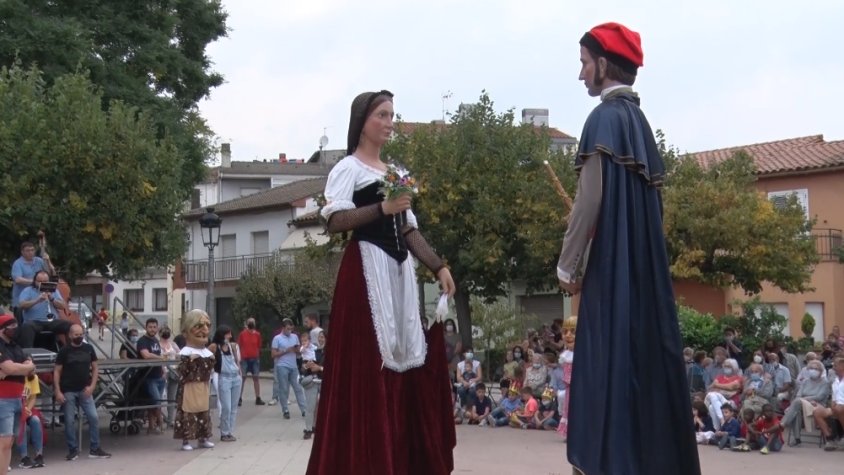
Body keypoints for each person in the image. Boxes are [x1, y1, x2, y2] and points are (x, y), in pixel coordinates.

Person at [556, 22, 700, 475]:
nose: (580, 74)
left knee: (603, 368)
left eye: (583, 63)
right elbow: (652, 210)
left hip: (613, 267)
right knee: (644, 366)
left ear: (603, 63)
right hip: (644, 270)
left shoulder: (602, 119)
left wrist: (567, 264)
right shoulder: (640, 124)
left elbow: (590, 200)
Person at [307, 90, 456, 475]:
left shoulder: (396, 173)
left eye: (393, 115)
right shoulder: (348, 169)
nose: (390, 122)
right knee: (369, 363)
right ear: (363, 121)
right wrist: (380, 208)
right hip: (366, 272)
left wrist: (439, 266)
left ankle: (400, 460)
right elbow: (335, 222)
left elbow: (408, 229)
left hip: (400, 273)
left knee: (405, 359)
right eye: (383, 115)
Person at [53, 324, 111, 461]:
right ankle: (72, 450)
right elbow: (57, 371)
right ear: (70, 335)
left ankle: (95, 448)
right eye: (76, 335)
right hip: (68, 391)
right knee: (69, 420)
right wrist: (58, 391)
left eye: (81, 334)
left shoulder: (89, 349)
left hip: (85, 389)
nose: (79, 337)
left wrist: (92, 386)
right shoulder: (64, 351)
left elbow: (95, 368)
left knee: (94, 418)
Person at [173, 309, 215, 451]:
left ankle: (203, 438)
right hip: (189, 388)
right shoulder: (184, 352)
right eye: (198, 326)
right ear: (186, 332)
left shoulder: (207, 353)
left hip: (202, 386)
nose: (204, 330)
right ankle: (186, 440)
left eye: (207, 325)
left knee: (203, 412)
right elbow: (181, 371)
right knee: (188, 413)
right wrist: (190, 361)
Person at [0, 314, 37, 475]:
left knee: (10, 442)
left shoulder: (15, 346)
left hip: (17, 398)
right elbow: (9, 368)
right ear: (3, 329)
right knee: (4, 441)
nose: (15, 330)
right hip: (3, 398)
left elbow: (32, 367)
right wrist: (23, 367)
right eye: (12, 328)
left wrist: (22, 367)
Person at [779, 359, 830, 446]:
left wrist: (804, 399)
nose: (813, 370)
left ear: (821, 371)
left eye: (816, 369)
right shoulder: (806, 381)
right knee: (797, 410)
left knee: (797, 403)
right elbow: (798, 395)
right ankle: (797, 438)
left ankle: (783, 424)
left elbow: (819, 397)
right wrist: (803, 400)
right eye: (811, 368)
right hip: (802, 404)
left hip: (817, 405)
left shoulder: (825, 382)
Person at [16, 271, 72, 349]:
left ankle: (70, 351)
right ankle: (27, 353)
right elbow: (22, 305)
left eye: (45, 281)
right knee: (26, 327)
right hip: (35, 322)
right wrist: (37, 300)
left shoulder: (54, 291)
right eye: (40, 281)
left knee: (70, 326)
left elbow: (63, 306)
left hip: (52, 321)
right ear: (35, 281)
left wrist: (52, 299)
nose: (42, 284)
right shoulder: (28, 290)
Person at [209, 326, 241, 442]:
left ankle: (229, 431)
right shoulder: (214, 346)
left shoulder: (232, 346)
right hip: (224, 377)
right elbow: (207, 358)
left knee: (233, 407)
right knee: (226, 406)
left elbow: (236, 361)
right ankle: (224, 432)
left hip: (235, 377)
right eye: (228, 334)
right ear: (222, 335)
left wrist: (239, 373)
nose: (230, 336)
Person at [271, 319, 306, 420]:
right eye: (288, 329)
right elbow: (273, 354)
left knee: (298, 388)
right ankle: (285, 410)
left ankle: (304, 409)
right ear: (283, 328)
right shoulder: (277, 338)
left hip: (293, 366)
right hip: (282, 366)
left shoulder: (295, 337)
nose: (289, 331)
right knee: (284, 388)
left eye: (291, 329)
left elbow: (299, 351)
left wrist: (298, 350)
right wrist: (286, 350)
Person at [10, 242, 52, 324]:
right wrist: (35, 282)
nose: (30, 252)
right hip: (21, 301)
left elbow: (49, 273)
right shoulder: (18, 263)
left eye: (32, 250)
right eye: (28, 251)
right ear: (22, 252)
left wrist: (48, 260)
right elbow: (18, 279)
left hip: (38, 300)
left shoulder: (39, 261)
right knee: (22, 325)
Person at [136, 318, 166, 434]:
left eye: (154, 327)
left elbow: (158, 355)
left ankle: (151, 427)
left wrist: (163, 370)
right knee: (156, 401)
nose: (152, 329)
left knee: (152, 403)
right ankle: (160, 422)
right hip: (148, 377)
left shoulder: (156, 341)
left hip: (159, 376)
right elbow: (146, 355)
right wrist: (161, 358)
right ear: (146, 327)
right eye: (150, 327)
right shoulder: (142, 341)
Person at [813, 355, 844, 451]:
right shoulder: (835, 381)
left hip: (841, 407)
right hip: (837, 407)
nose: (833, 367)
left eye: (836, 365)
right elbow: (834, 398)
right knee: (817, 411)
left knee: (839, 409)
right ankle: (830, 439)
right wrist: (833, 405)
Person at [16, 374, 45, 468]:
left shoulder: (33, 377)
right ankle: (24, 458)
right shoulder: (14, 377)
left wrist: (28, 409)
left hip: (27, 408)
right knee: (22, 423)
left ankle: (39, 455)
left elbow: (33, 397)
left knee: (36, 421)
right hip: (15, 409)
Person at [302, 331, 326, 440]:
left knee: (321, 406)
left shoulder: (331, 351)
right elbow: (303, 368)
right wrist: (307, 366)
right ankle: (308, 429)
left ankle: (317, 426)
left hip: (324, 381)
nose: (320, 339)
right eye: (319, 337)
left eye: (322, 337)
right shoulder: (314, 351)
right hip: (313, 381)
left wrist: (320, 368)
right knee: (311, 406)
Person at [237, 317, 265, 407]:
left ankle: (258, 397)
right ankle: (239, 398)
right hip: (244, 359)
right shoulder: (242, 334)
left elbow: (259, 346)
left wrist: (257, 356)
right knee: (242, 378)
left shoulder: (257, 334)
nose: (251, 323)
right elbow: (239, 345)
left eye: (252, 322)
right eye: (250, 322)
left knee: (256, 378)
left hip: (254, 358)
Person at [159, 326, 181, 428]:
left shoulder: (173, 344)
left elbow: (179, 354)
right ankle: (159, 418)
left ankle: (170, 419)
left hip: (173, 371)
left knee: (172, 397)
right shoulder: (157, 344)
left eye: (168, 332)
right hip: (162, 372)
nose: (166, 334)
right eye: (164, 332)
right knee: (161, 397)